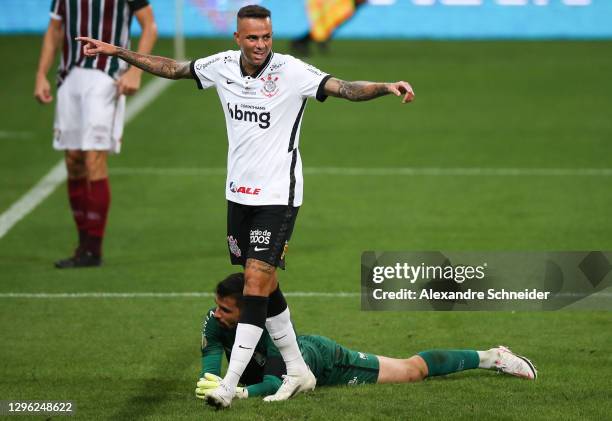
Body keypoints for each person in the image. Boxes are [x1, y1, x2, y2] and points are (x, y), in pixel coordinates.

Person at [76, 4, 415, 409]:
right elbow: (173, 67)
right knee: (264, 284)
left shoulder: (291, 71)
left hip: (278, 195)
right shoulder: (221, 66)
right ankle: (298, 369)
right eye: (252, 38)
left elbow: (343, 88)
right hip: (238, 195)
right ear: (237, 38)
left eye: (266, 37)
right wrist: (118, 52)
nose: (260, 45)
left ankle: (229, 383)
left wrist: (385, 86)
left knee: (255, 282)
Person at [194, 273, 537, 401]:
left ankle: (492, 356)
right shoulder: (216, 322)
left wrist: (236, 391)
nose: (218, 315)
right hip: (291, 367)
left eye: (227, 310)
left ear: (249, 310)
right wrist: (212, 384)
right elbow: (208, 370)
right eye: (218, 308)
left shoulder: (272, 332)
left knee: (411, 372)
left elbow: (272, 383)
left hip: (323, 361)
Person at [34, 0, 158, 268]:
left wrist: (136, 71)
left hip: (107, 76)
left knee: (94, 159)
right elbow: (55, 29)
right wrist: (41, 74)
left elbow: (149, 26)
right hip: (69, 77)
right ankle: (82, 243)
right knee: (73, 160)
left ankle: (93, 249)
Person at [291, 0, 367, 57]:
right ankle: (301, 42)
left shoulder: (349, 7)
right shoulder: (345, 6)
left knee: (325, 28)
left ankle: (306, 42)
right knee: (322, 28)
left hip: (338, 8)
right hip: (326, 6)